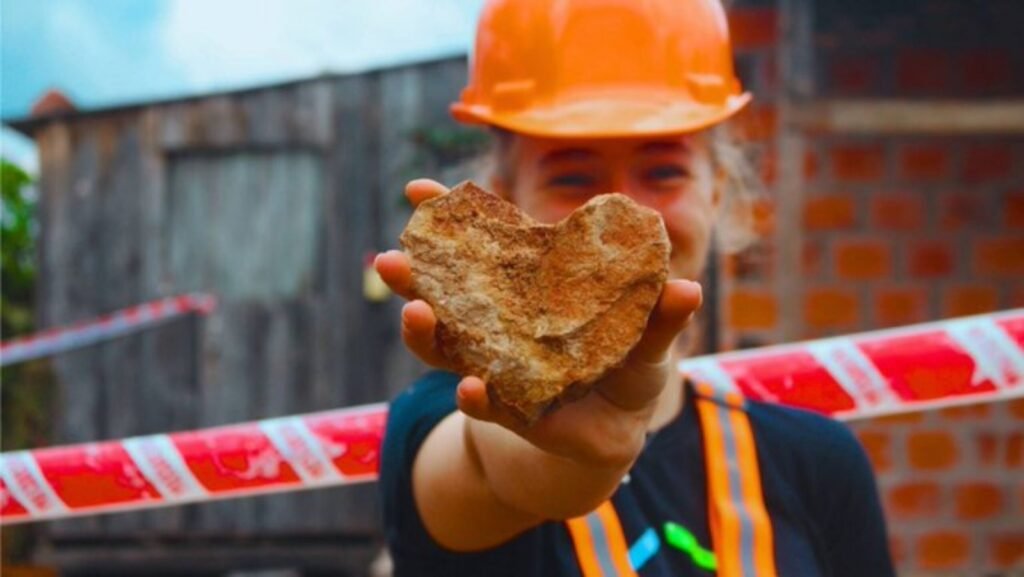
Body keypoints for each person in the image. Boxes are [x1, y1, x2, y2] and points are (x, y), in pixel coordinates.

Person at [374, 1, 896, 575]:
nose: (620, 210)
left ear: (717, 191)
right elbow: (492, 467)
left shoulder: (817, 465)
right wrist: (580, 456)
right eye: (572, 176)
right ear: (503, 205)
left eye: (663, 172)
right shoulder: (441, 421)